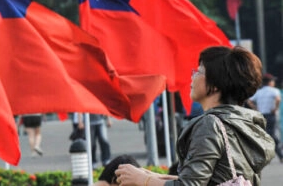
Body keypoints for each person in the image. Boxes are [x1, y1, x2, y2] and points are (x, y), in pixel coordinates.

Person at [115, 46, 276, 186]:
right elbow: (217, 179)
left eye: (199, 71)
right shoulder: (245, 122)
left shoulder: (210, 124)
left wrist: (143, 180)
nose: (193, 76)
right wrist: (153, 176)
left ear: (214, 85)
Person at [248, 73, 283, 162]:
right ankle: (279, 154)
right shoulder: (274, 91)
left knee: (265, 134)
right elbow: (278, 99)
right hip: (271, 115)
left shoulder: (259, 92)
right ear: (270, 82)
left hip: (261, 116)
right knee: (271, 135)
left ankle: (268, 155)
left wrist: (256, 108)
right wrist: (275, 108)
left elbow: (249, 101)